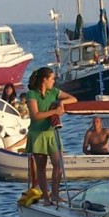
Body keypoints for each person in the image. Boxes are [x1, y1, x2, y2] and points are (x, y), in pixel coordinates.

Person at [25, 67, 77, 206]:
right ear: (44, 80)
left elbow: (73, 99)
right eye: (52, 79)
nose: (54, 81)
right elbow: (35, 115)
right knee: (41, 168)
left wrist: (61, 103)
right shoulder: (32, 95)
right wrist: (55, 111)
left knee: (58, 164)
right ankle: (46, 198)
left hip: (51, 133)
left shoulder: (53, 92)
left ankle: (55, 194)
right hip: (38, 134)